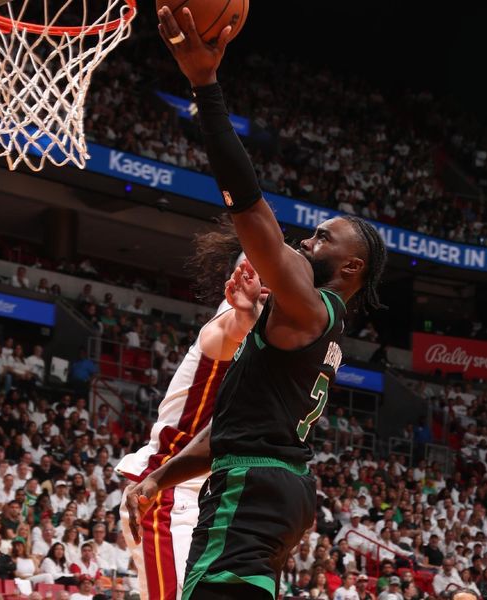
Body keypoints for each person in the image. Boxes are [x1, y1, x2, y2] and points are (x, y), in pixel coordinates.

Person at [128, 9, 387, 600]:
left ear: (350, 268)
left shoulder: (310, 306)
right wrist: (162, 478)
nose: (305, 241)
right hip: (279, 483)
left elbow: (250, 210)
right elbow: (235, 427)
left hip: (254, 484)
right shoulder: (314, 327)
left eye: (322, 239)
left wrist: (204, 86)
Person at [117, 230, 264, 600]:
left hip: (213, 497)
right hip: (168, 492)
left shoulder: (268, 339)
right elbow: (238, 326)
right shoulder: (226, 325)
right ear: (247, 277)